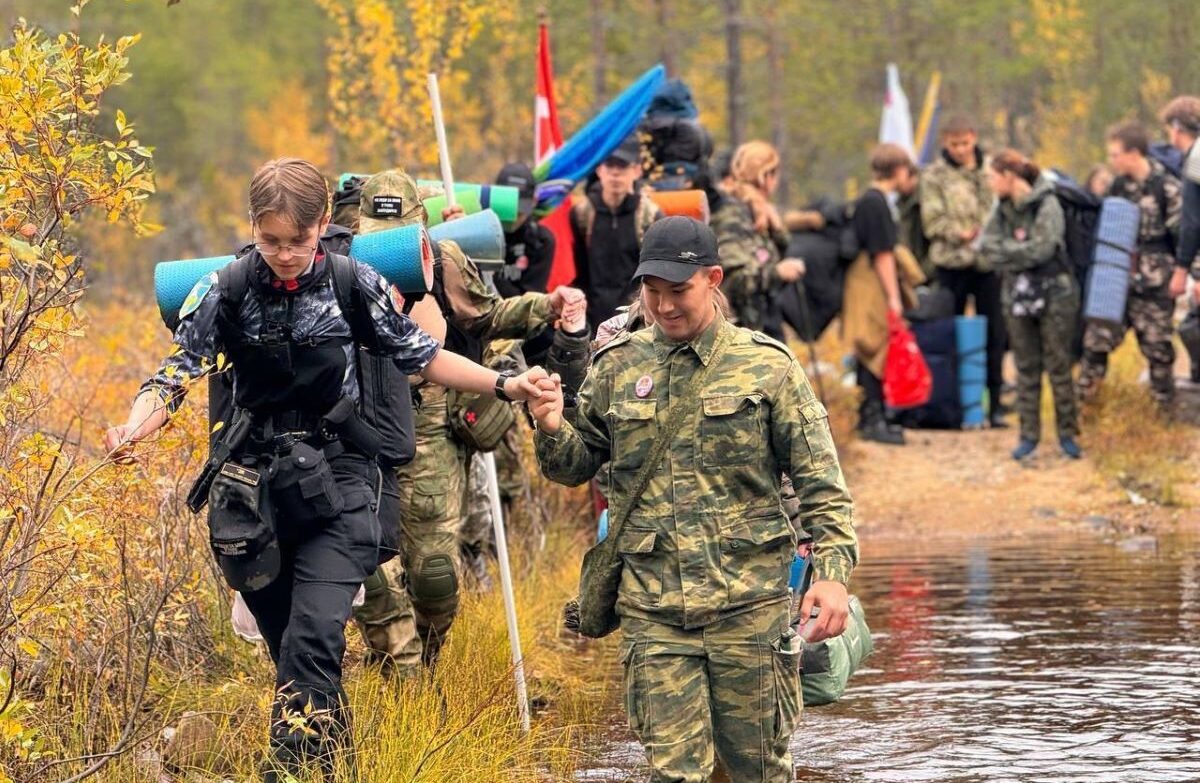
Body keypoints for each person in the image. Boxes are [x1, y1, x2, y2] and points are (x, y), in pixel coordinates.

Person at [102, 158, 550, 781]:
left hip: (342, 477)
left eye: (298, 240)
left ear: (321, 226)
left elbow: (422, 355)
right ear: (254, 228)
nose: (285, 255)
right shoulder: (225, 290)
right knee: (293, 650)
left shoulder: (352, 283)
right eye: (271, 241)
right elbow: (175, 375)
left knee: (315, 635)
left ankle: (285, 772)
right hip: (255, 487)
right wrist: (134, 427)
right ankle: (334, 766)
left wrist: (505, 384)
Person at [529, 216, 858, 783]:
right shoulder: (617, 366)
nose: (664, 306)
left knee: (758, 770)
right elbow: (575, 465)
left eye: (678, 291)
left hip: (748, 611)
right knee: (675, 774)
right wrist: (551, 425)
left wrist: (830, 575)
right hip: (654, 613)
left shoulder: (767, 366)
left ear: (713, 279)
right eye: (652, 293)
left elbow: (822, 486)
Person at [343, 169, 586, 676]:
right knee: (370, 570)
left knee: (434, 576)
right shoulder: (340, 266)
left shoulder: (443, 261)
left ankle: (425, 656)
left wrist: (548, 305)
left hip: (429, 424)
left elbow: (487, 317)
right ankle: (401, 672)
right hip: (358, 426)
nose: (388, 245)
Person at [980, 150, 1081, 460]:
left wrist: (1010, 252)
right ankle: (1028, 436)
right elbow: (987, 246)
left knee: (1058, 363)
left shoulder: (1047, 203)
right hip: (1016, 295)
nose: (989, 183)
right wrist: (1018, 250)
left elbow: (1043, 248)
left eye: (993, 176)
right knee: (1025, 366)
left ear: (1010, 176)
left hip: (1056, 293)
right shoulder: (1001, 209)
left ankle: (1067, 434)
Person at [1077, 122, 1182, 409]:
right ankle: (1084, 410)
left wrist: (1186, 275)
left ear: (1134, 153)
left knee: (1158, 351)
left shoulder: (1167, 188)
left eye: (1115, 154)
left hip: (1154, 284)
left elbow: (1184, 239)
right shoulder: (1117, 187)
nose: (1111, 161)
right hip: (1115, 282)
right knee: (1095, 343)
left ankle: (1164, 416)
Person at [921, 114, 1008, 428]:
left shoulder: (991, 170)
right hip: (951, 263)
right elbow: (931, 221)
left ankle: (995, 403)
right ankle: (952, 404)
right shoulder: (934, 176)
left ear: (974, 137)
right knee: (948, 336)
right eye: (954, 144)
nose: (960, 149)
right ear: (946, 142)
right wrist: (960, 234)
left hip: (987, 265)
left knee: (995, 333)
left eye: (965, 143)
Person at [842, 144, 922, 446]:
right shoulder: (876, 203)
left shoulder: (869, 200)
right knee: (874, 345)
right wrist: (894, 297)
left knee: (872, 346)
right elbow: (883, 255)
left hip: (866, 280)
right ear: (899, 170)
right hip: (870, 283)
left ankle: (871, 415)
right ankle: (871, 417)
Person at [710, 140, 806, 338]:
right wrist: (778, 273)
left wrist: (777, 231)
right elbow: (732, 279)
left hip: (762, 325)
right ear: (766, 177)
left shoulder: (759, 212)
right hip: (740, 331)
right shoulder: (732, 215)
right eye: (774, 174)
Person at [570, 135, 664, 330]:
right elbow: (577, 271)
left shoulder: (651, 216)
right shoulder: (581, 214)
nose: (615, 174)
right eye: (609, 165)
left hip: (636, 320)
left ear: (637, 170)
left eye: (622, 166)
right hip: (590, 319)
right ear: (599, 169)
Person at [494, 162, 555, 297]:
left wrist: (491, 272)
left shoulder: (541, 241)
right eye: (508, 208)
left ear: (534, 201)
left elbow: (528, 304)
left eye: (520, 209)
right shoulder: (479, 231)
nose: (513, 215)